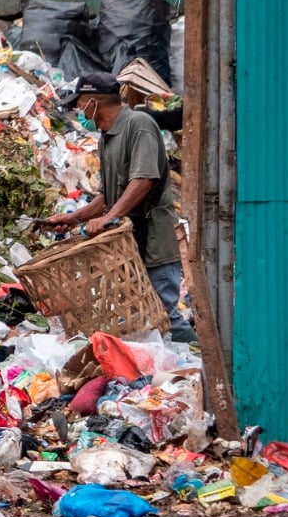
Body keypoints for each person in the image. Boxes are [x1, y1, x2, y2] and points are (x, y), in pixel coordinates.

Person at [48, 72, 195, 342]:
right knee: (142, 317)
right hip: (130, 244)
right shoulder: (107, 137)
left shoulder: (138, 124)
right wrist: (75, 218)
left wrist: (108, 219)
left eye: (79, 103)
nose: (79, 110)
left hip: (154, 239)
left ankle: (204, 366)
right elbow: (108, 195)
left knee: (164, 316)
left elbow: (144, 179)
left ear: (93, 102)